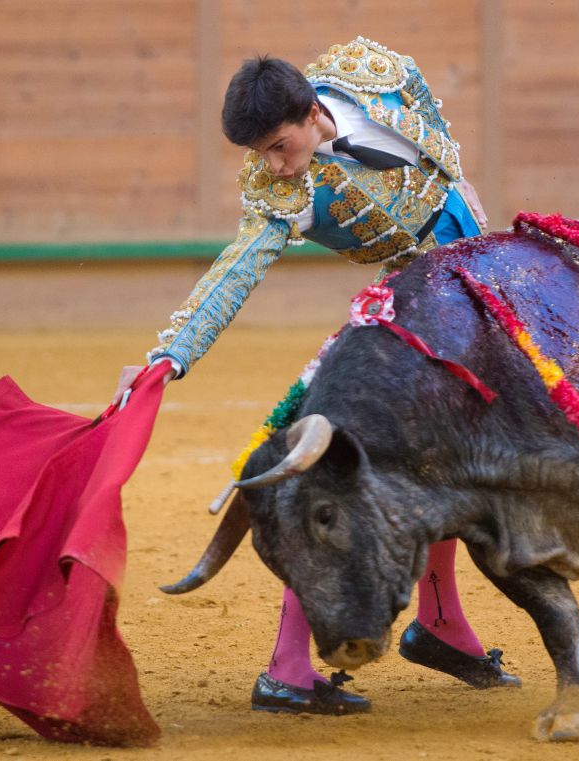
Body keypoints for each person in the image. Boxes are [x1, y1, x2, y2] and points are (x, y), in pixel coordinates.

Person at [115, 37, 519, 714]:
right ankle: (289, 667)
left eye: (279, 144)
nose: (272, 163)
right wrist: (168, 356)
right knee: (347, 476)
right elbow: (232, 274)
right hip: (413, 319)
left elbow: (424, 105)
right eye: (260, 153)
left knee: (451, 458)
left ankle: (441, 623)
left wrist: (457, 180)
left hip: (482, 293)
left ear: (310, 113)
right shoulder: (281, 192)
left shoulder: (373, 69)